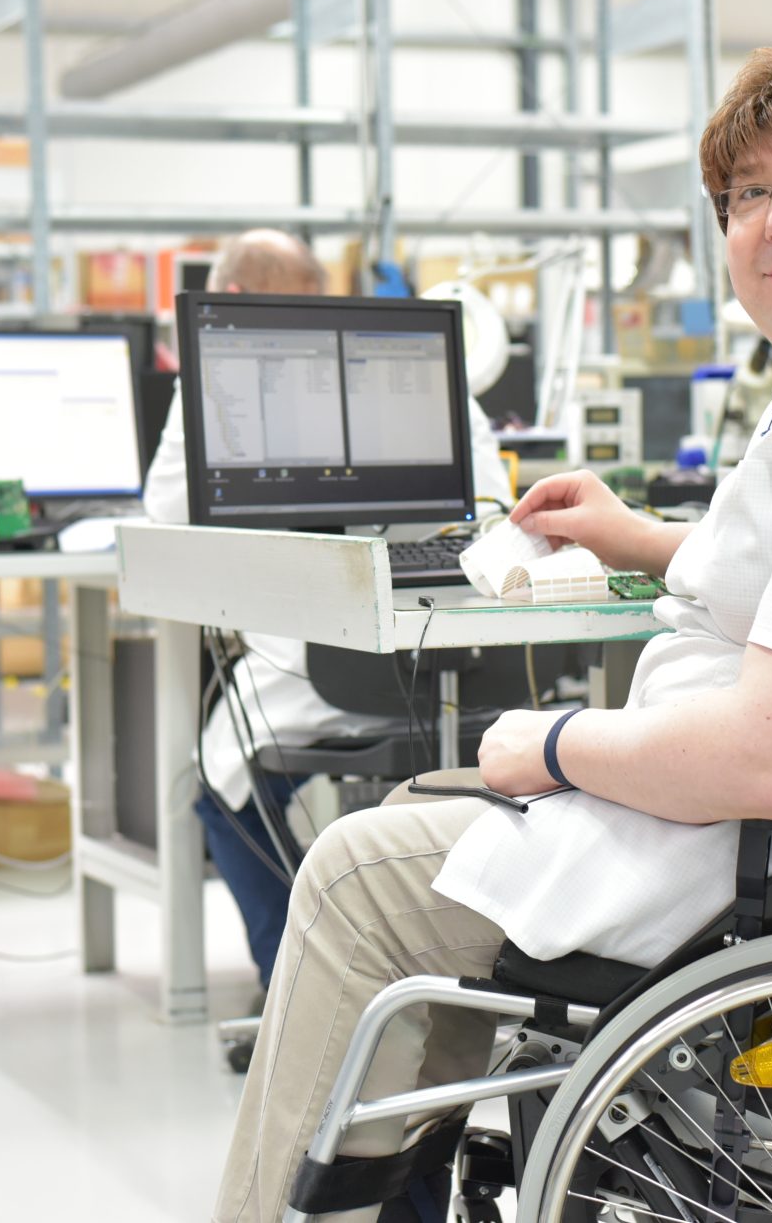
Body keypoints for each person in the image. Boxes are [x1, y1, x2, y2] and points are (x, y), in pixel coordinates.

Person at [213, 45, 772, 1222]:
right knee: (416, 822)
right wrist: (638, 536)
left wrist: (559, 743)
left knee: (353, 870)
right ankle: (383, 1188)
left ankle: (287, 1204)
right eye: (747, 195)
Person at [139, 229, 513, 999]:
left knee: (217, 780)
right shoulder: (411, 349)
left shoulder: (227, 362)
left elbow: (168, 512)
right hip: (473, 663)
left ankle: (299, 990)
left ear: (229, 301)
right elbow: (493, 506)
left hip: (328, 667)